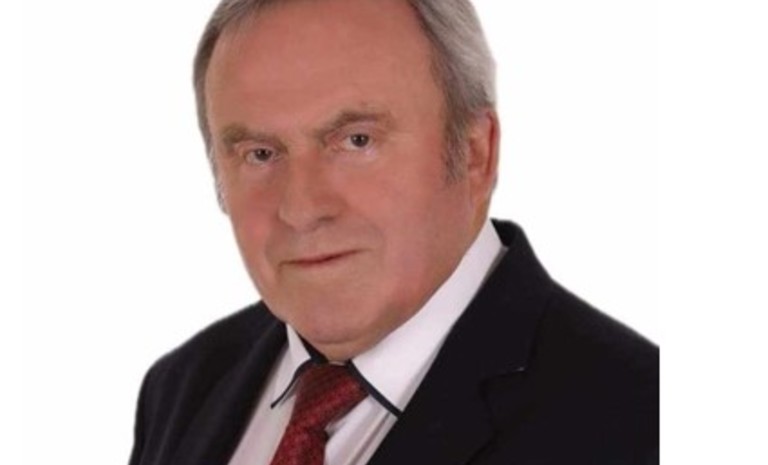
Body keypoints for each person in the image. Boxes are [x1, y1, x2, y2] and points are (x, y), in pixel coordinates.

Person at [128, 0, 659, 464]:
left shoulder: (641, 418)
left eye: (356, 141)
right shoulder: (183, 388)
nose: (302, 209)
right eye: (260, 154)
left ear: (475, 153)